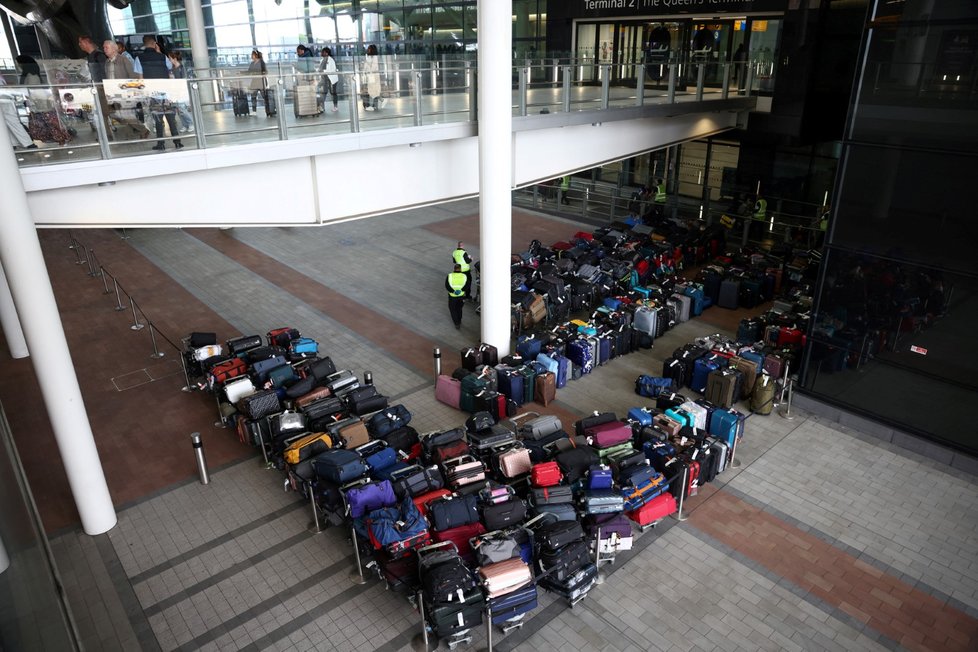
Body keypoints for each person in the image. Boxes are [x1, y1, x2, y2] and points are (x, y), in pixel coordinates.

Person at [138, 36, 183, 151]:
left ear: (144, 44)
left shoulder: (139, 58)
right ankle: (177, 142)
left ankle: (161, 144)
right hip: (166, 93)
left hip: (153, 94)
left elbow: (140, 78)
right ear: (155, 44)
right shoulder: (163, 57)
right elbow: (169, 69)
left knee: (158, 120)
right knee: (170, 118)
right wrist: (159, 52)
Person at [78, 35, 114, 139]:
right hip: (96, 88)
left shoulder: (99, 55)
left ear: (86, 42)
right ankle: (107, 135)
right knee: (102, 113)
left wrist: (105, 87)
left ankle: (141, 128)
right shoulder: (91, 56)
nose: (79, 45)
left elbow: (105, 72)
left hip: (102, 87)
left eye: (80, 42)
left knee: (110, 113)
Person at [167, 51, 195, 131]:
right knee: (179, 110)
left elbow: (184, 81)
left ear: (174, 59)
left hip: (182, 92)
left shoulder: (182, 69)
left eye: (170, 58)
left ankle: (191, 123)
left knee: (182, 109)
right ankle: (185, 125)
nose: (169, 60)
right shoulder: (172, 69)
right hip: (175, 91)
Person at [445, 264, 471, 330]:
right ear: (461, 269)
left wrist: (453, 291)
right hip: (461, 296)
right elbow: (468, 285)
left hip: (452, 296)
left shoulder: (449, 276)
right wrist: (462, 290)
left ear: (454, 269)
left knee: (452, 309)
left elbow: (447, 286)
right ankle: (459, 320)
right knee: (459, 308)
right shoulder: (464, 276)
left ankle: (457, 323)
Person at [361, 44, 381, 111]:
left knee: (373, 90)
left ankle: (374, 105)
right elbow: (366, 66)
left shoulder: (375, 57)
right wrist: (364, 72)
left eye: (369, 48)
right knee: (371, 90)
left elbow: (373, 67)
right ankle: (372, 105)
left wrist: (368, 68)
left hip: (373, 76)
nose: (368, 50)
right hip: (369, 76)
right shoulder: (368, 57)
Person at [319, 47, 340, 112]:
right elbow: (320, 68)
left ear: (327, 53)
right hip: (324, 79)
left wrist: (323, 71)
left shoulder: (331, 60)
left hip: (331, 79)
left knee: (333, 93)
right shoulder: (322, 60)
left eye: (323, 52)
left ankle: (335, 106)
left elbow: (332, 70)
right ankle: (322, 107)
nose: (321, 53)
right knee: (323, 93)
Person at [247, 50, 267, 114]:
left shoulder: (262, 62)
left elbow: (265, 72)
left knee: (264, 96)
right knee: (253, 96)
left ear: (255, 55)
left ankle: (268, 110)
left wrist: (260, 74)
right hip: (254, 82)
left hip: (261, 81)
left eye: (252, 55)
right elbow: (249, 71)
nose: (251, 56)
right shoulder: (252, 63)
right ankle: (254, 111)